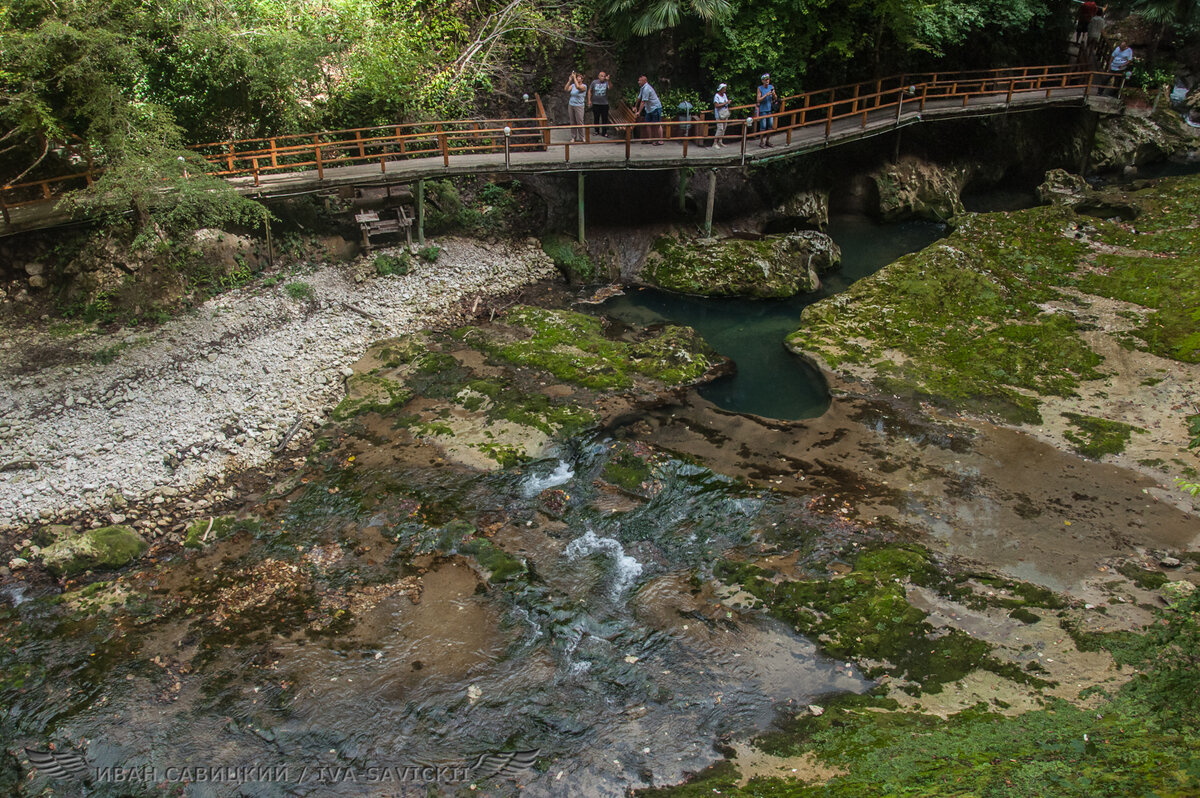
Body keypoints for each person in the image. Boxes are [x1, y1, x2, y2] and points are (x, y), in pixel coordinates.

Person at [635, 75, 664, 145]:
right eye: (638, 80)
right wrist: (635, 106)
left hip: (655, 108)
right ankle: (650, 139)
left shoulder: (646, 89)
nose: (638, 82)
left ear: (645, 81)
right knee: (647, 124)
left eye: (640, 81)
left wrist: (639, 112)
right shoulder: (642, 88)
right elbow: (639, 98)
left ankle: (660, 140)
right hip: (649, 109)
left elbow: (643, 101)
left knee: (657, 124)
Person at [565, 71, 587, 143]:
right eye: (577, 77)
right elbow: (566, 89)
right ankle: (573, 137)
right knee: (572, 121)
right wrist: (569, 80)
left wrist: (574, 77)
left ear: (582, 79)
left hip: (579, 106)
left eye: (579, 77)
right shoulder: (573, 85)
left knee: (580, 121)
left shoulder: (584, 86)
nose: (578, 78)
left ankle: (582, 137)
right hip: (571, 105)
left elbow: (578, 87)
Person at [588, 72, 611, 137]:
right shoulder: (594, 82)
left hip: (604, 103)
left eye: (604, 76)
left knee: (604, 118)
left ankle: (604, 132)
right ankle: (596, 131)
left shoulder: (606, 82)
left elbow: (610, 87)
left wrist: (608, 80)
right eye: (601, 76)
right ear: (598, 76)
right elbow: (590, 90)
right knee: (596, 118)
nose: (602, 77)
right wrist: (589, 100)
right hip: (596, 103)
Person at [756, 73, 777, 148]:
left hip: (769, 109)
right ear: (762, 81)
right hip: (763, 110)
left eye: (768, 79)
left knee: (770, 125)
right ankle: (761, 142)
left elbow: (775, 98)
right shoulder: (760, 88)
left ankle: (767, 141)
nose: (767, 81)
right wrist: (766, 95)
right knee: (763, 126)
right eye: (765, 80)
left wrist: (773, 94)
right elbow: (758, 99)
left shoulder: (771, 87)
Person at [712, 82, 731, 148]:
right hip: (719, 114)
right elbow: (716, 105)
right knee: (720, 128)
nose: (725, 90)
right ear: (721, 89)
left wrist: (727, 103)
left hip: (724, 113)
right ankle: (715, 143)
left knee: (724, 128)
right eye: (724, 89)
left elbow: (726, 102)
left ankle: (720, 141)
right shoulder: (716, 96)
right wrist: (725, 103)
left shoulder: (724, 95)